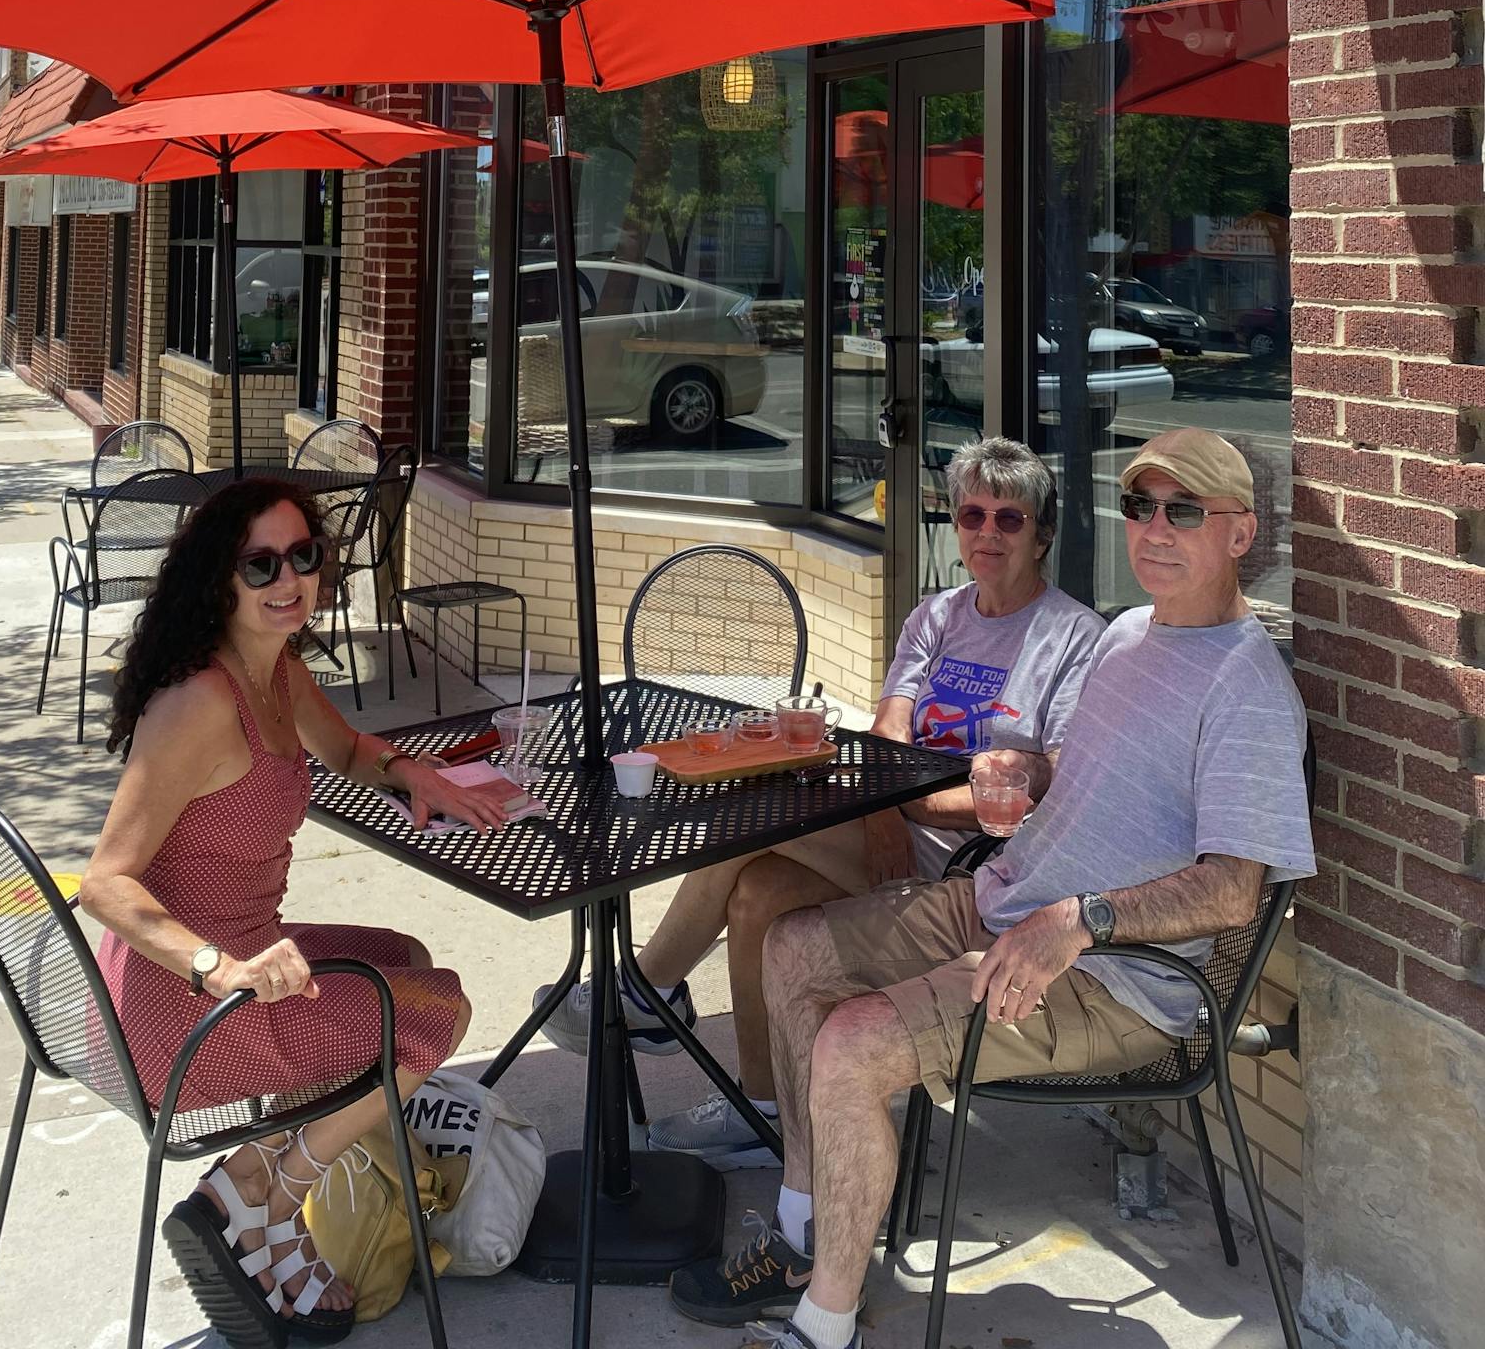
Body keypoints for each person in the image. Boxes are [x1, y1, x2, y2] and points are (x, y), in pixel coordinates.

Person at [667, 427, 1315, 1349]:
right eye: (1140, 507)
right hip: (1007, 895)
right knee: (792, 946)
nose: (1155, 531)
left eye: (1185, 511)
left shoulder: (1247, 687)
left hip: (1116, 977)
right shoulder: (1133, 635)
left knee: (852, 1041)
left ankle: (822, 1325)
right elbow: (1085, 774)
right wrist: (1030, 772)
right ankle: (806, 1232)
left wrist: (1080, 919)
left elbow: (1233, 891)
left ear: (1239, 534)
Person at [537, 437, 1103, 1170]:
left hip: (977, 865)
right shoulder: (936, 618)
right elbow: (886, 735)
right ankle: (762, 1112)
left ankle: (647, 989)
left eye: (1010, 519)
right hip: (892, 827)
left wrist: (906, 807)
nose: (988, 533)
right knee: (758, 892)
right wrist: (877, 809)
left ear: (1043, 534)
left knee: (746, 811)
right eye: (972, 515)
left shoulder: (1073, 637)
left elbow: (1050, 778)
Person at [83, 475, 517, 1348]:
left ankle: (275, 1194)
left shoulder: (274, 669)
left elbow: (348, 746)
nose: (291, 580)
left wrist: (414, 774)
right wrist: (222, 969)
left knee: (403, 952)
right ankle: (264, 1194)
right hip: (185, 1000)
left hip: (239, 959)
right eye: (261, 564)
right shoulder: (201, 702)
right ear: (219, 580)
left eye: (305, 556)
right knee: (436, 1014)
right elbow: (105, 882)